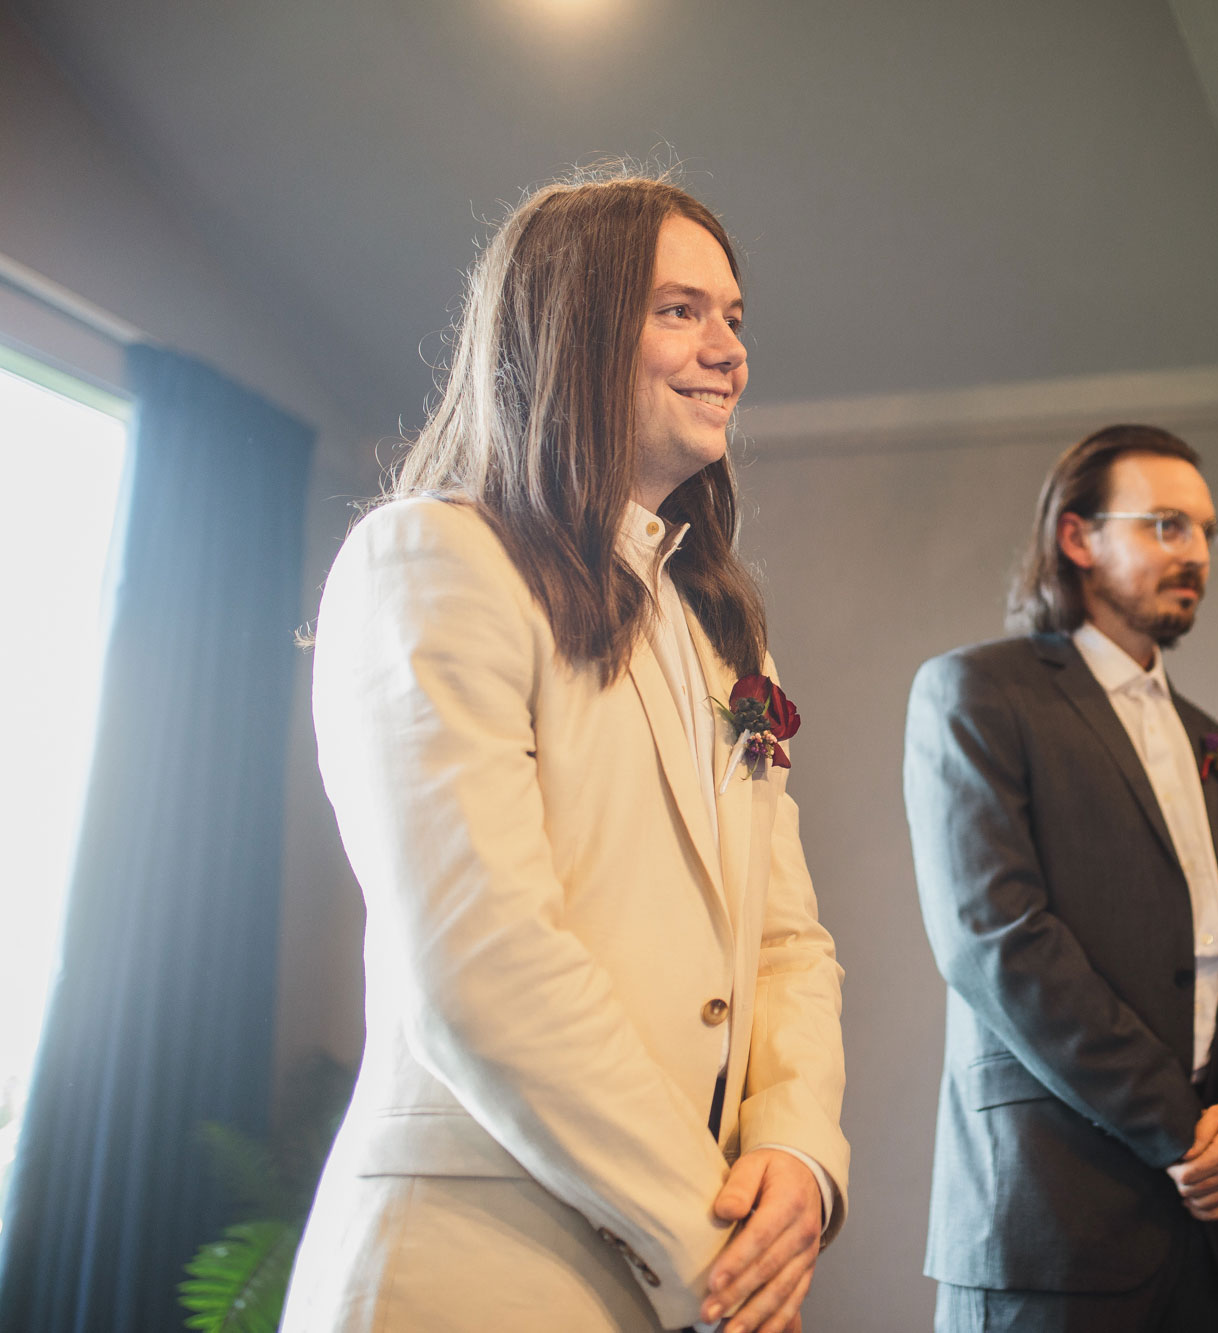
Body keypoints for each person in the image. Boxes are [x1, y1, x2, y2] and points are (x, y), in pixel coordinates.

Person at [285, 173, 848, 1333]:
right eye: (681, 310)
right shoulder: (430, 562)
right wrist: (712, 1244)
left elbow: (786, 941)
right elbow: (481, 961)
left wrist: (797, 1150)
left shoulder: (722, 636)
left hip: (686, 1264)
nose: (727, 350)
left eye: (734, 317)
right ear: (571, 326)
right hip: (477, 1260)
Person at [903, 425, 1218, 1332]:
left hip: (1202, 1233)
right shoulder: (976, 692)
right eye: (1166, 525)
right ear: (1078, 539)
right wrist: (1187, 1130)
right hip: (1047, 1217)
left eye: (1205, 531)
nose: (1195, 552)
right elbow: (997, 942)